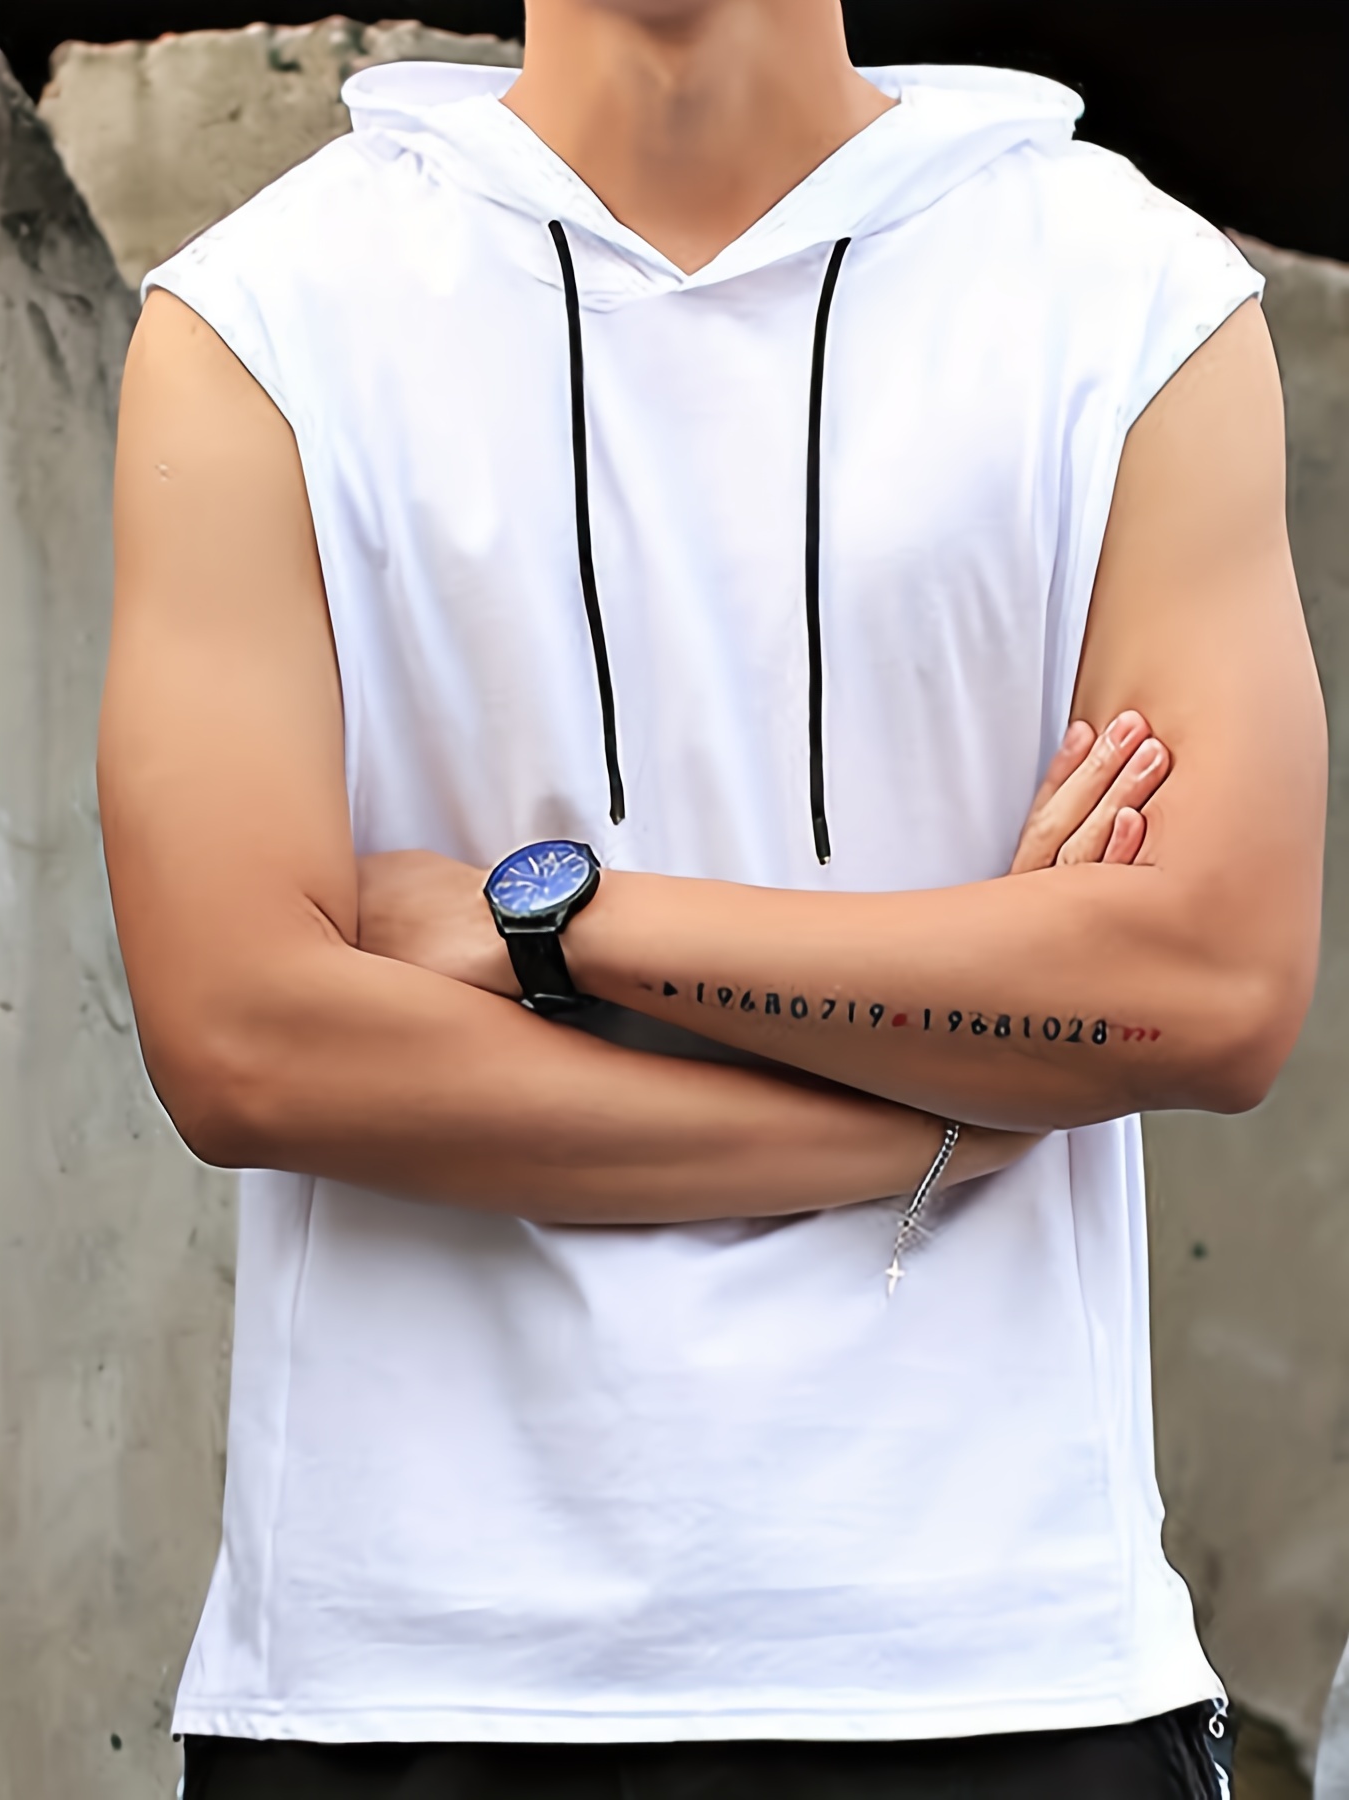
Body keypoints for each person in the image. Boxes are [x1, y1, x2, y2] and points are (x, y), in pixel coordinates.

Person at [98, 1, 1326, 1795]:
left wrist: (554, 919)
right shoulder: (260, 314)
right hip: (404, 1682)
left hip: (1000, 1664)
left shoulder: (1129, 292)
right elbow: (246, 1047)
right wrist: (939, 1120)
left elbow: (1207, 990)